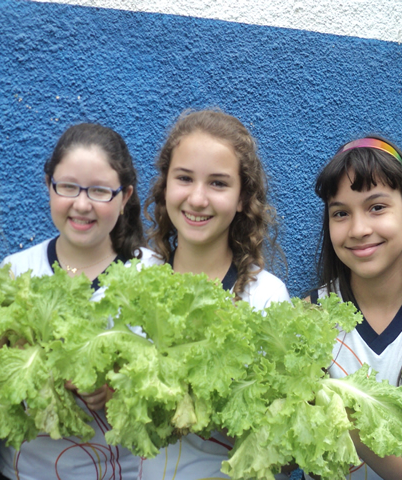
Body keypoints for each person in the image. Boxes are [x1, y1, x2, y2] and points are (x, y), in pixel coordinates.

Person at [0, 123, 161, 480]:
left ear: (125, 196)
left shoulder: (153, 274)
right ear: (48, 185)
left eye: (100, 191)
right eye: (68, 187)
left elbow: (169, 387)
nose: (82, 204)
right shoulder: (16, 271)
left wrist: (113, 389)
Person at [141, 109, 290, 479]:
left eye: (218, 184)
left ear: (243, 198)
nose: (197, 198)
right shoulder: (135, 276)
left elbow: (284, 452)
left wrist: (225, 406)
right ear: (165, 186)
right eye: (184, 178)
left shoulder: (267, 296)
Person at [309, 136, 402, 479]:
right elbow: (288, 457)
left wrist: (339, 409)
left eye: (376, 207)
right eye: (340, 213)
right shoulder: (310, 316)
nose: (359, 229)